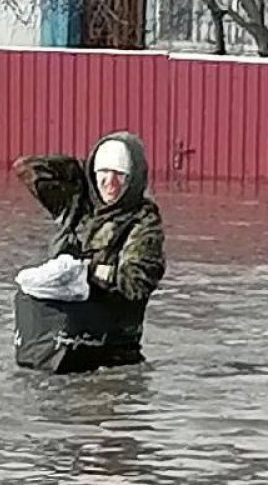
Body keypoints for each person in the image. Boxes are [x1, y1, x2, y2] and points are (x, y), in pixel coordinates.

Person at [11, 130, 167, 373]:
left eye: (120, 175)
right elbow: (28, 168)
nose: (110, 183)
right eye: (103, 173)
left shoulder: (143, 223)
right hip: (60, 337)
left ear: (132, 179)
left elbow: (135, 283)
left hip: (111, 351)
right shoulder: (77, 207)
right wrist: (81, 169)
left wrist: (90, 271)